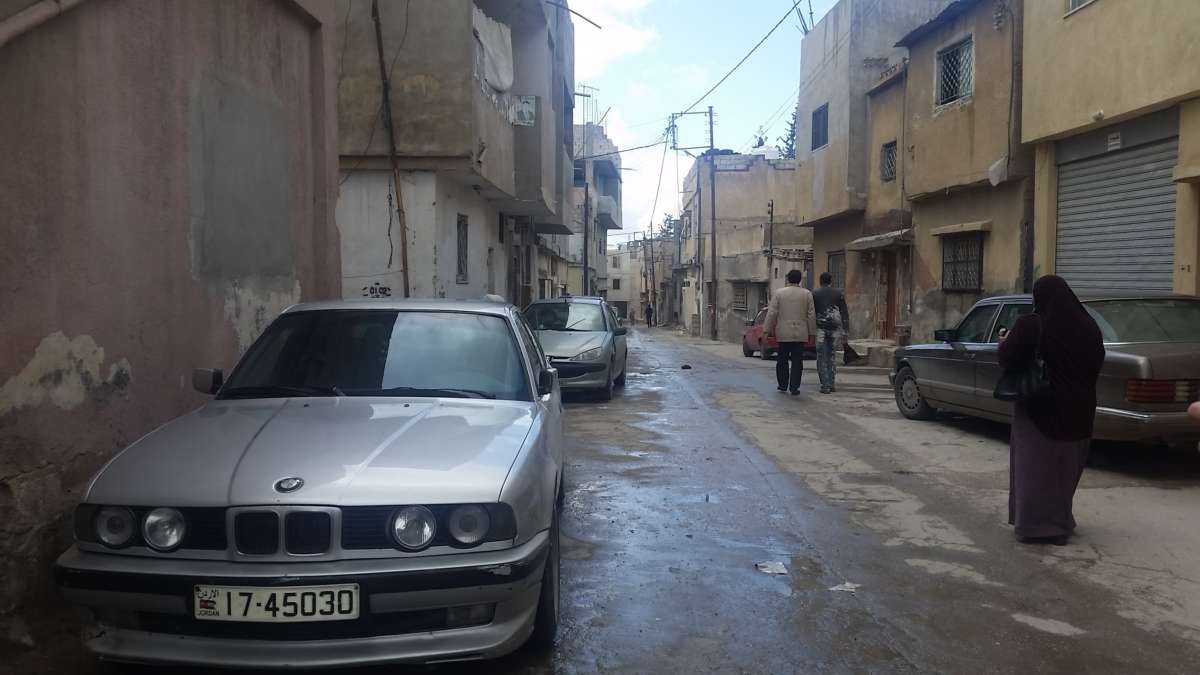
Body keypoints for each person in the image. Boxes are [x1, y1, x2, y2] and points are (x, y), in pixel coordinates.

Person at [998, 275, 1105, 546]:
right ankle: (1060, 521)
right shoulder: (1089, 326)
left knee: (1036, 468)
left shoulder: (1032, 324)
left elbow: (1008, 357)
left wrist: (1004, 340)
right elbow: (1097, 361)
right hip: (1080, 410)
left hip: (1040, 407)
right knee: (1065, 470)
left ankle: (1038, 527)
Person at [764, 269, 817, 395]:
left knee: (782, 359)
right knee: (797, 361)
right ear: (800, 280)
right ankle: (794, 387)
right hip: (800, 332)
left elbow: (772, 313)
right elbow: (811, 315)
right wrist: (812, 333)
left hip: (783, 332)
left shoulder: (779, 293)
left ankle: (782, 385)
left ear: (788, 279)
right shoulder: (807, 294)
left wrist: (766, 330)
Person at [812, 272, 850, 394]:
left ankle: (825, 385)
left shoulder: (815, 294)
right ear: (831, 281)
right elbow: (844, 313)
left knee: (821, 356)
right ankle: (832, 383)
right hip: (835, 329)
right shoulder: (838, 293)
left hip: (821, 329)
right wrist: (845, 331)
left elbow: (811, 312)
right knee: (831, 356)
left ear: (820, 281)